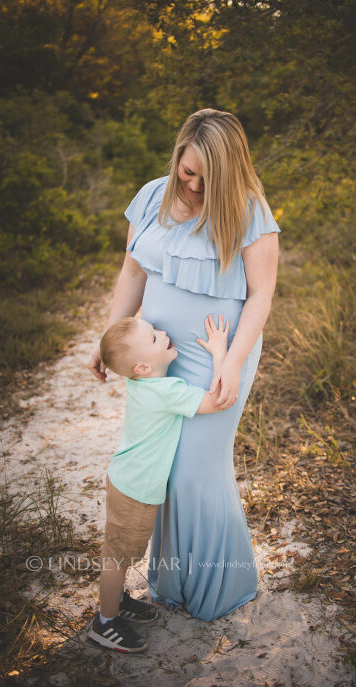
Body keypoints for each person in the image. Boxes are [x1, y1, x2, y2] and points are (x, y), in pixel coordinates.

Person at [88, 107, 281, 622]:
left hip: (219, 352)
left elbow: (261, 295)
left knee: (198, 470)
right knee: (169, 471)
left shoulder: (249, 211)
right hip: (157, 351)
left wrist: (234, 362)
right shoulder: (152, 196)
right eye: (186, 171)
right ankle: (173, 582)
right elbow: (131, 270)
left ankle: (220, 584)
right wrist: (111, 337)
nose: (192, 185)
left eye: (205, 177)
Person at [89, 313, 231, 652]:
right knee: (118, 557)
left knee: (118, 551)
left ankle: (117, 601)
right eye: (154, 337)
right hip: (136, 490)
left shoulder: (141, 383)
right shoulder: (167, 391)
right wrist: (220, 352)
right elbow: (219, 399)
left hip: (126, 479)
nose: (164, 332)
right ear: (141, 367)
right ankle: (105, 622)